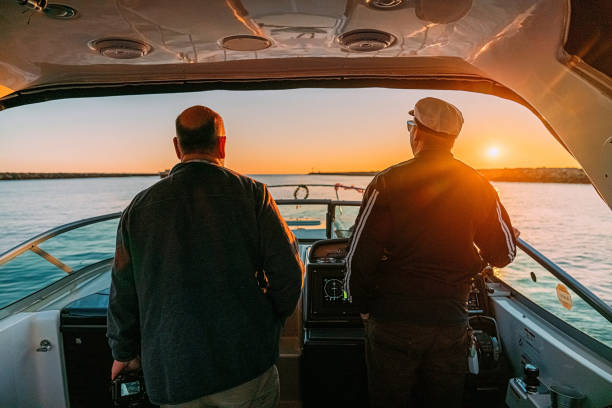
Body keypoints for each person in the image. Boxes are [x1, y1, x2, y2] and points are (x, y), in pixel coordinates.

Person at [107, 105, 304, 407]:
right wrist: (267, 321)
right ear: (222, 143)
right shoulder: (253, 194)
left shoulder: (138, 207)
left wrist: (123, 353)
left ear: (177, 146)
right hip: (243, 365)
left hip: (171, 375)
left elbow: (123, 291)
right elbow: (289, 273)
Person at [344, 97, 517, 407]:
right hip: (450, 320)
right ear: (452, 139)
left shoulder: (387, 181)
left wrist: (361, 306)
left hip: (392, 321)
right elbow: (504, 254)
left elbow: (359, 256)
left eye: (411, 126)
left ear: (417, 133)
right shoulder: (480, 185)